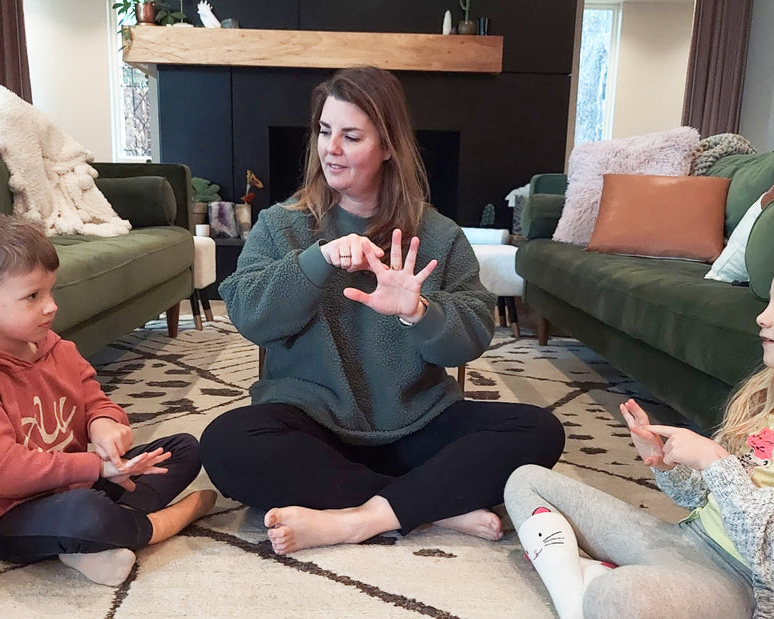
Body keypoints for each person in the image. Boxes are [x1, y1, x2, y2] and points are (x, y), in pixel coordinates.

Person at [200, 66, 565, 555]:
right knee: (227, 443)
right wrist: (317, 260)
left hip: (417, 423)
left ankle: (363, 517)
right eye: (325, 132)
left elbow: (474, 336)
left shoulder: (439, 234)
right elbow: (248, 314)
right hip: (312, 422)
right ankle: (431, 505)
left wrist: (419, 311)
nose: (331, 149)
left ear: (389, 145)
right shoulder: (280, 225)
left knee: (539, 431)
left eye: (351, 136)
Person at [504, 233, 774, 619]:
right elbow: (700, 498)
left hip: (749, 587)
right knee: (526, 480)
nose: (763, 317)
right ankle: (585, 588)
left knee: (620, 595)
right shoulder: (772, 396)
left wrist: (718, 463)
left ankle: (584, 582)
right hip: (689, 543)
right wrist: (668, 465)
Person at [0, 210, 216, 586]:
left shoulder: (58, 349)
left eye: (50, 291)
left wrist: (106, 427)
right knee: (84, 513)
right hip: (11, 514)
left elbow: (95, 400)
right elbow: (4, 472)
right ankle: (155, 525)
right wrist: (96, 468)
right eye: (32, 296)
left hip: (80, 481)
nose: (51, 306)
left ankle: (95, 542)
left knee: (182, 448)